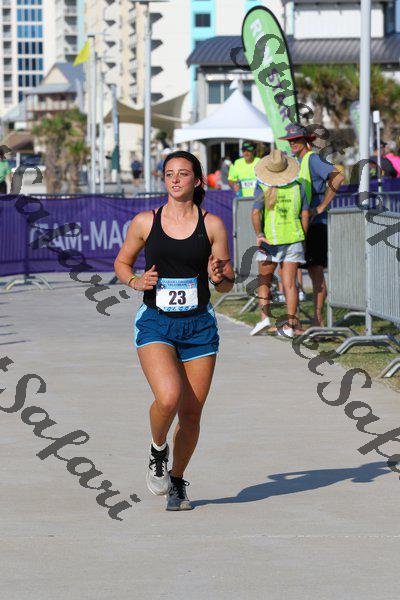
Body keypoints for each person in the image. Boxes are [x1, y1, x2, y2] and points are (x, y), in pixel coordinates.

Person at [114, 150, 234, 511]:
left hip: (199, 327)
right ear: (164, 179)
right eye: (169, 174)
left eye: (183, 173)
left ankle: (177, 481)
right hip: (156, 322)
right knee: (168, 397)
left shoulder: (212, 225)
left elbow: (226, 281)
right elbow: (122, 263)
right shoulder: (145, 222)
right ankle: (157, 450)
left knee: (191, 414)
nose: (176, 179)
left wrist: (219, 277)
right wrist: (135, 281)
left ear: (197, 180)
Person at [278, 123, 344, 327]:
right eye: (290, 140)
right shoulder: (294, 162)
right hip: (297, 225)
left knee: (315, 272)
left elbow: (338, 176)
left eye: (296, 139)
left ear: (306, 140)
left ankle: (317, 319)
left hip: (315, 225)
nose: (292, 143)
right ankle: (294, 320)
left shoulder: (312, 159)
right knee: (290, 271)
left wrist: (322, 206)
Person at [249, 150, 309, 337]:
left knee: (264, 281)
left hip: (270, 240)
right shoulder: (298, 187)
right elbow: (305, 214)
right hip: (293, 239)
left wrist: (259, 234)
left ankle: (264, 319)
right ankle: (290, 325)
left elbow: (255, 212)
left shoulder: (262, 186)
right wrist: (302, 236)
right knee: (290, 284)